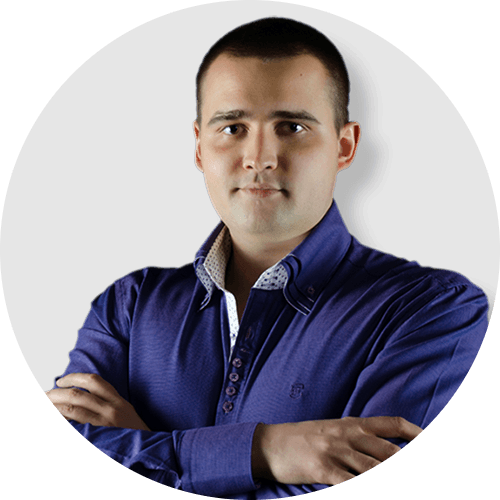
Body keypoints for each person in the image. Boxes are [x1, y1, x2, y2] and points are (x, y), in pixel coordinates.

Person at [46, 17, 488, 499]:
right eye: (233, 127)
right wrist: (265, 451)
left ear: (344, 146)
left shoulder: (434, 310)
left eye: (292, 127)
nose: (260, 158)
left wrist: (147, 449)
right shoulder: (127, 309)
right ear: (199, 147)